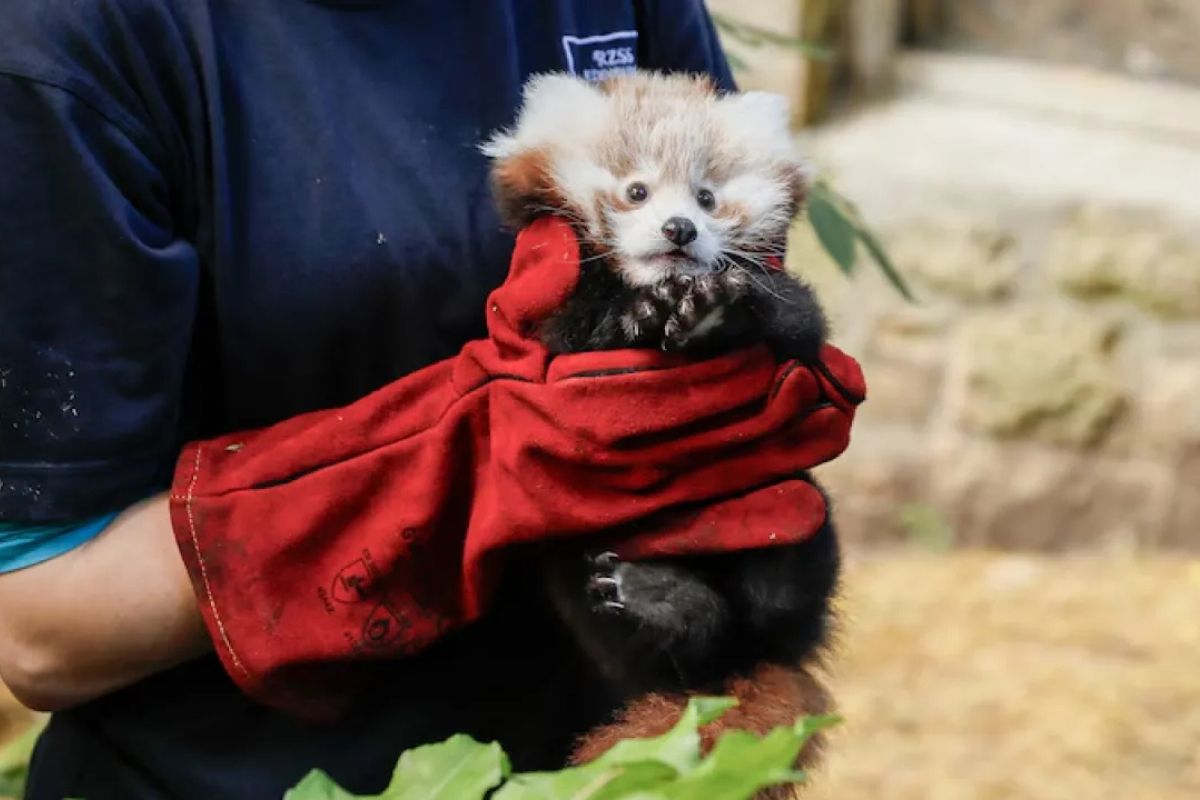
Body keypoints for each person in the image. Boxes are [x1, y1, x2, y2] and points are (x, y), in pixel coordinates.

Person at [0, 2, 833, 798]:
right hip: (256, 776)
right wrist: (462, 477)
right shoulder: (72, 42)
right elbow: (41, 634)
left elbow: (745, 306)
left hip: (605, 750)